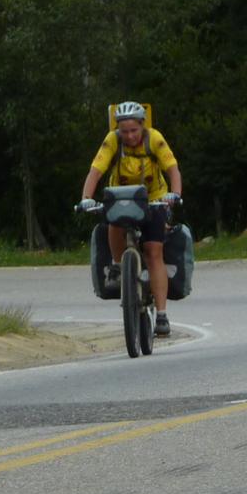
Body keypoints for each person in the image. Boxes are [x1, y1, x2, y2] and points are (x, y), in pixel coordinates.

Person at [78, 101, 183, 335]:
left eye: (134, 130)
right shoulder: (112, 141)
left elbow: (173, 169)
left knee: (154, 251)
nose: (129, 135)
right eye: (124, 131)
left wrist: (174, 195)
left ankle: (163, 316)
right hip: (119, 196)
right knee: (112, 222)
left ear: (142, 126)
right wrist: (86, 197)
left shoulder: (154, 139)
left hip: (154, 199)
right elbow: (96, 170)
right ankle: (117, 266)